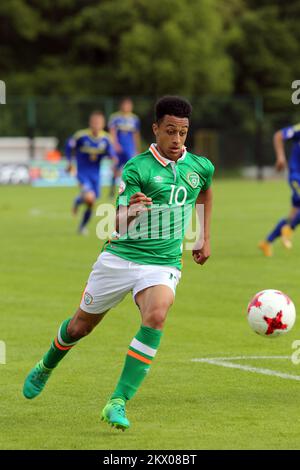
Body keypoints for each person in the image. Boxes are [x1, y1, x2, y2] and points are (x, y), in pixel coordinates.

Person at [23, 96, 214, 431]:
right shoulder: (137, 167)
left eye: (183, 132)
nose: (177, 140)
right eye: (170, 131)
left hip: (163, 263)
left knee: (157, 315)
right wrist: (131, 212)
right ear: (155, 129)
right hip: (120, 258)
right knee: (79, 326)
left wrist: (203, 237)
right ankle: (46, 364)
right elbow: (117, 221)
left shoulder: (200, 167)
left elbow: (206, 192)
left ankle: (117, 401)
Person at [65, 110, 117, 234]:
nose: (96, 124)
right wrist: (69, 162)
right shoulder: (81, 136)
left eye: (99, 122)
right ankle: (82, 227)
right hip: (82, 174)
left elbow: (112, 154)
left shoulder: (106, 138)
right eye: (94, 122)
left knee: (90, 201)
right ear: (90, 123)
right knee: (90, 198)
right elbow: (69, 145)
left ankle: (78, 206)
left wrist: (114, 163)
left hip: (96, 176)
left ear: (103, 124)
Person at [259, 123, 300, 256]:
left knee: (293, 215)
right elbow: (278, 136)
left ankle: (267, 242)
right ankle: (288, 230)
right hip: (296, 176)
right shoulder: (298, 129)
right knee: (292, 219)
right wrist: (281, 157)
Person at [108, 98, 141, 198]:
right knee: (115, 169)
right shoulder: (115, 117)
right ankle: (112, 191)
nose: (127, 107)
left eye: (129, 105)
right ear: (121, 105)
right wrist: (114, 144)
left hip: (130, 148)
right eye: (125, 105)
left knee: (131, 169)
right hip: (118, 148)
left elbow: (136, 135)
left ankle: (129, 191)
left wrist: (136, 149)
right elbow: (112, 131)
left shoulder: (135, 119)